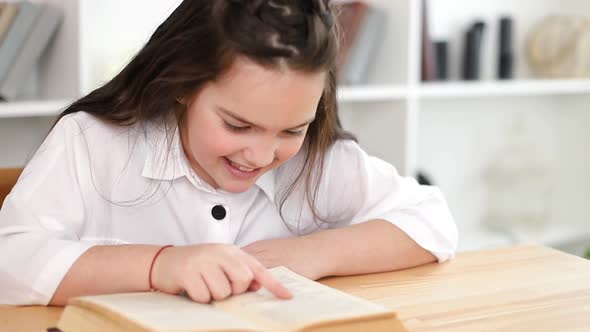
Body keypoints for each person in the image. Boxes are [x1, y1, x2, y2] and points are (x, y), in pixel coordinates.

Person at [0, 0, 457, 306]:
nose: (261, 155)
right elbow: (10, 259)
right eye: (238, 125)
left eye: (291, 129)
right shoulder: (92, 142)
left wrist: (315, 253)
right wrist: (160, 264)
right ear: (181, 85)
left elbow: (432, 220)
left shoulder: (314, 160)